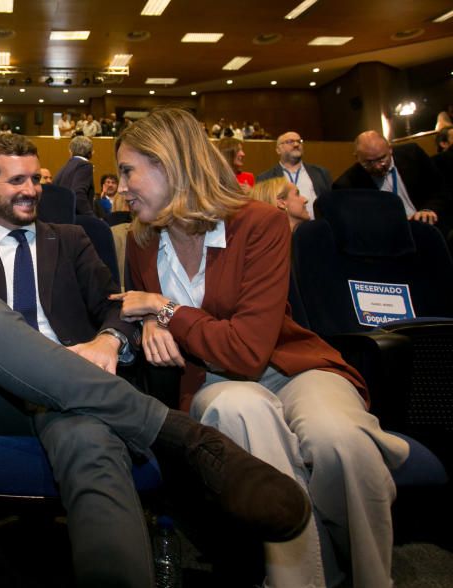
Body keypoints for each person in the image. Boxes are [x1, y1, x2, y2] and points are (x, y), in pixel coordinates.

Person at [0, 132, 311, 587]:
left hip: (79, 398)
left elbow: (117, 305)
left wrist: (107, 339)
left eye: (35, 178)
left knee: (91, 444)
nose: (31, 190)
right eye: (15, 180)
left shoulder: (72, 238)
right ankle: (176, 433)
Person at [116, 108, 409, 588]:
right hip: (210, 381)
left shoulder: (261, 224)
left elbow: (249, 350)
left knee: (341, 441)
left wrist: (164, 309)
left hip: (292, 367)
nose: (121, 185)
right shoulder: (142, 241)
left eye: (129, 171)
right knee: (243, 411)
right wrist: (150, 316)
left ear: (170, 163)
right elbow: (141, 309)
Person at [333, 130, 447, 227]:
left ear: (390, 149)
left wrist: (429, 209)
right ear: (357, 158)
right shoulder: (347, 185)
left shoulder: (412, 154)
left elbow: (442, 188)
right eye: (369, 162)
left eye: (382, 159)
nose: (377, 166)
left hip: (429, 225)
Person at [256, 132, 332, 219]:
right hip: (284, 229)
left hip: (317, 228)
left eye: (299, 141)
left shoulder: (321, 173)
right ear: (278, 150)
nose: (296, 144)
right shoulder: (265, 178)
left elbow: (330, 204)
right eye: (290, 141)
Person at [54, 135, 96, 216]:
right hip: (77, 220)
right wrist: (91, 216)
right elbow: (78, 193)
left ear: (70, 151)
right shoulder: (85, 165)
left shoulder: (64, 167)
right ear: (90, 151)